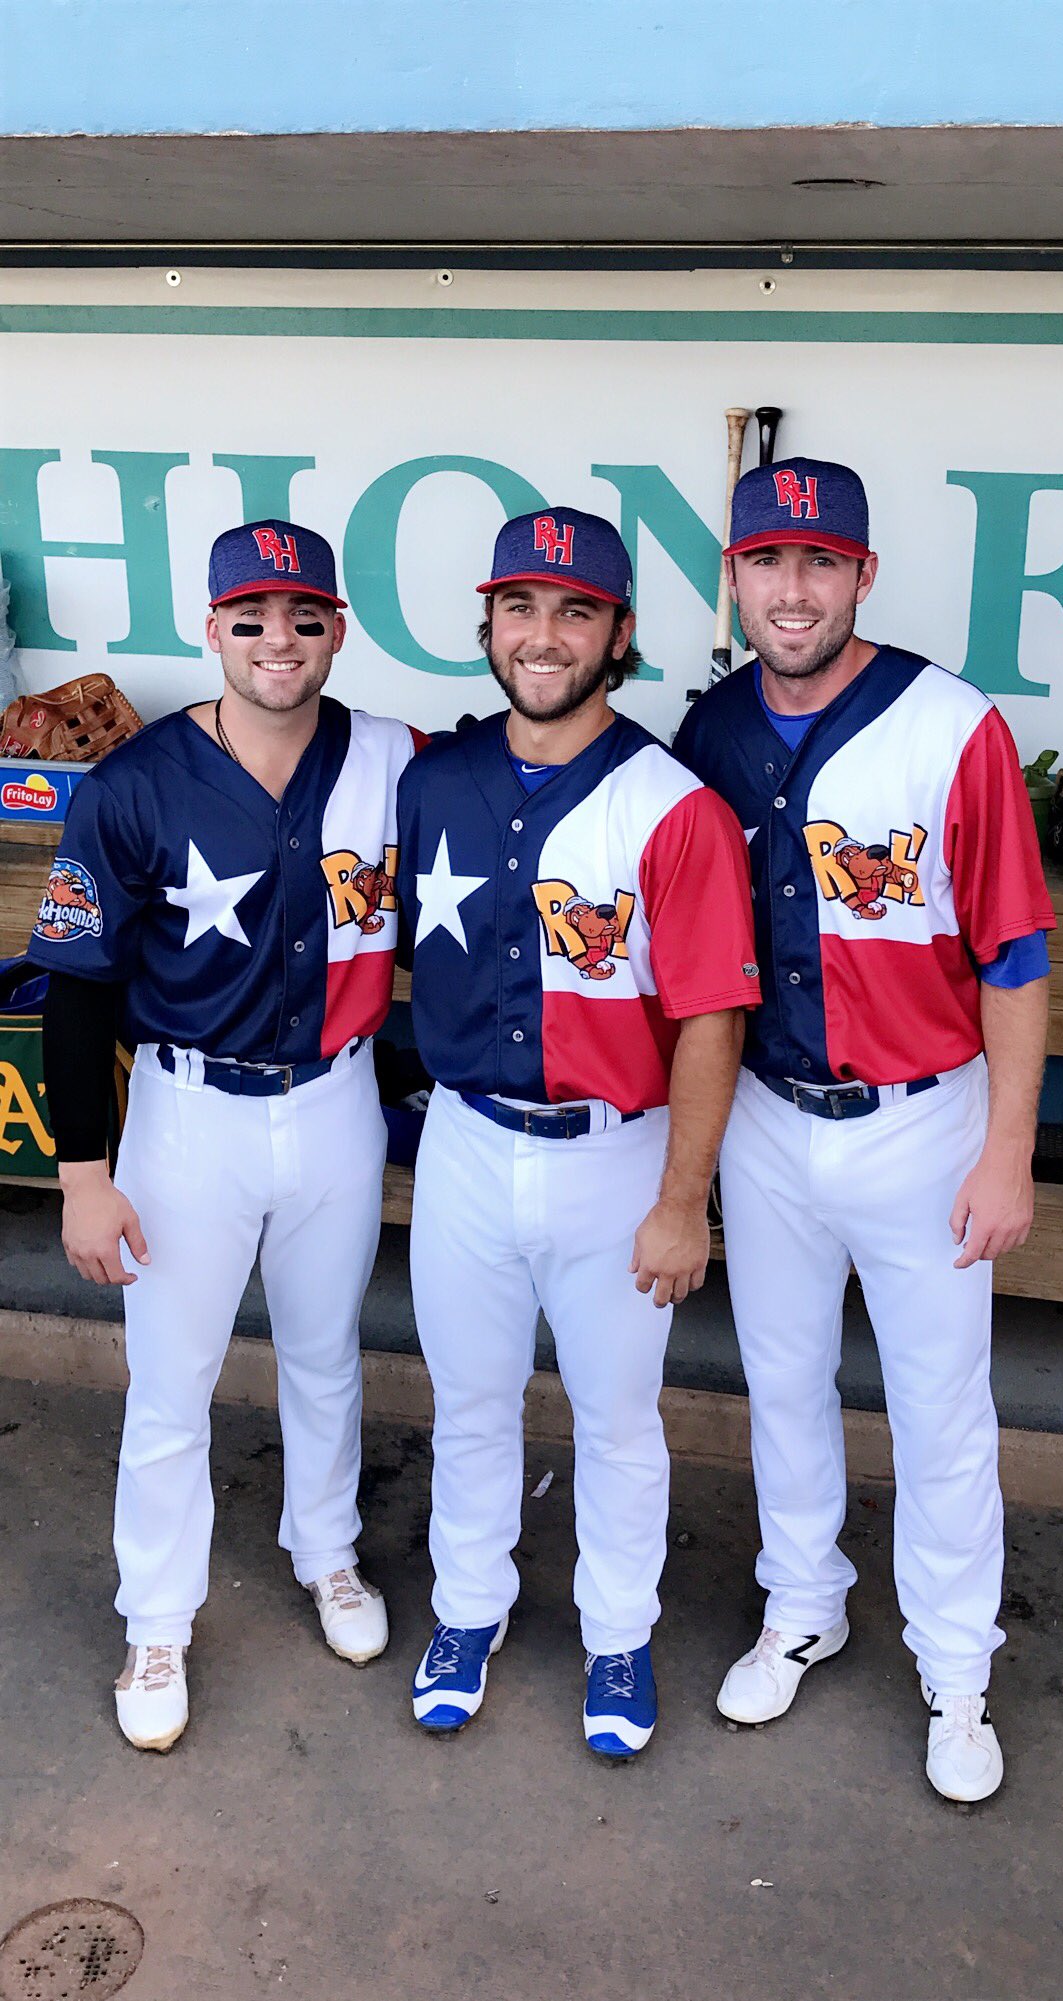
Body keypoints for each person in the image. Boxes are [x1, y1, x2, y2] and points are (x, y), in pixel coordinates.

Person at [673, 459, 1054, 1804]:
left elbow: (1012, 955)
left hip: (922, 1120)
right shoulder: (712, 728)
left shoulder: (954, 727)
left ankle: (958, 1669)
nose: (792, 588)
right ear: (736, 575)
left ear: (861, 578)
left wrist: (1006, 1148)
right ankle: (803, 1603)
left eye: (819, 563)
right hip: (773, 1116)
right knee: (780, 1381)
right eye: (767, 562)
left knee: (941, 1407)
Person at [30, 520, 419, 1751]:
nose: (278, 640)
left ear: (337, 629)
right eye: (250, 617)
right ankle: (157, 1618)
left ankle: (329, 1552)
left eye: (304, 617)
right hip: (188, 1111)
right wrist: (83, 1178)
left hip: (337, 1102)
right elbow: (78, 982)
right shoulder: (136, 781)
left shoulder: (394, 758)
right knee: (172, 1381)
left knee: (324, 1355)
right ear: (212, 628)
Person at [394, 507, 760, 1758]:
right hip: (464, 1140)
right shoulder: (431, 778)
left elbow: (711, 1018)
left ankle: (617, 1635)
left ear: (620, 636)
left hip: (616, 1153)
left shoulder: (674, 807)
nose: (542, 635)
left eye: (574, 611)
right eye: (519, 608)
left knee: (615, 1417)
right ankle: (468, 1610)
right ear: (488, 624)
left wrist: (682, 1198)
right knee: (473, 1401)